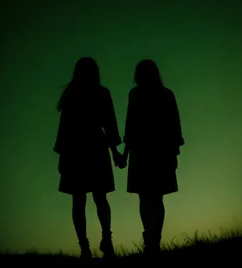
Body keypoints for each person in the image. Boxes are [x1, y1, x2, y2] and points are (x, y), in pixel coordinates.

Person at [53, 57, 124, 259]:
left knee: (88, 199)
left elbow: (109, 125)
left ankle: (98, 242)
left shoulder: (92, 94)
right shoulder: (89, 94)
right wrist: (115, 152)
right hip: (83, 150)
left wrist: (115, 151)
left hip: (86, 150)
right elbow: (66, 128)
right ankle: (93, 244)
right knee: (89, 199)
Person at [121, 59, 185, 256]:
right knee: (155, 198)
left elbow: (130, 127)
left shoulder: (140, 95)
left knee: (147, 197)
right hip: (157, 152)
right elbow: (174, 126)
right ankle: (153, 239)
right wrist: (174, 153)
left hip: (148, 152)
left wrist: (125, 154)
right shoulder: (164, 94)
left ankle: (151, 239)